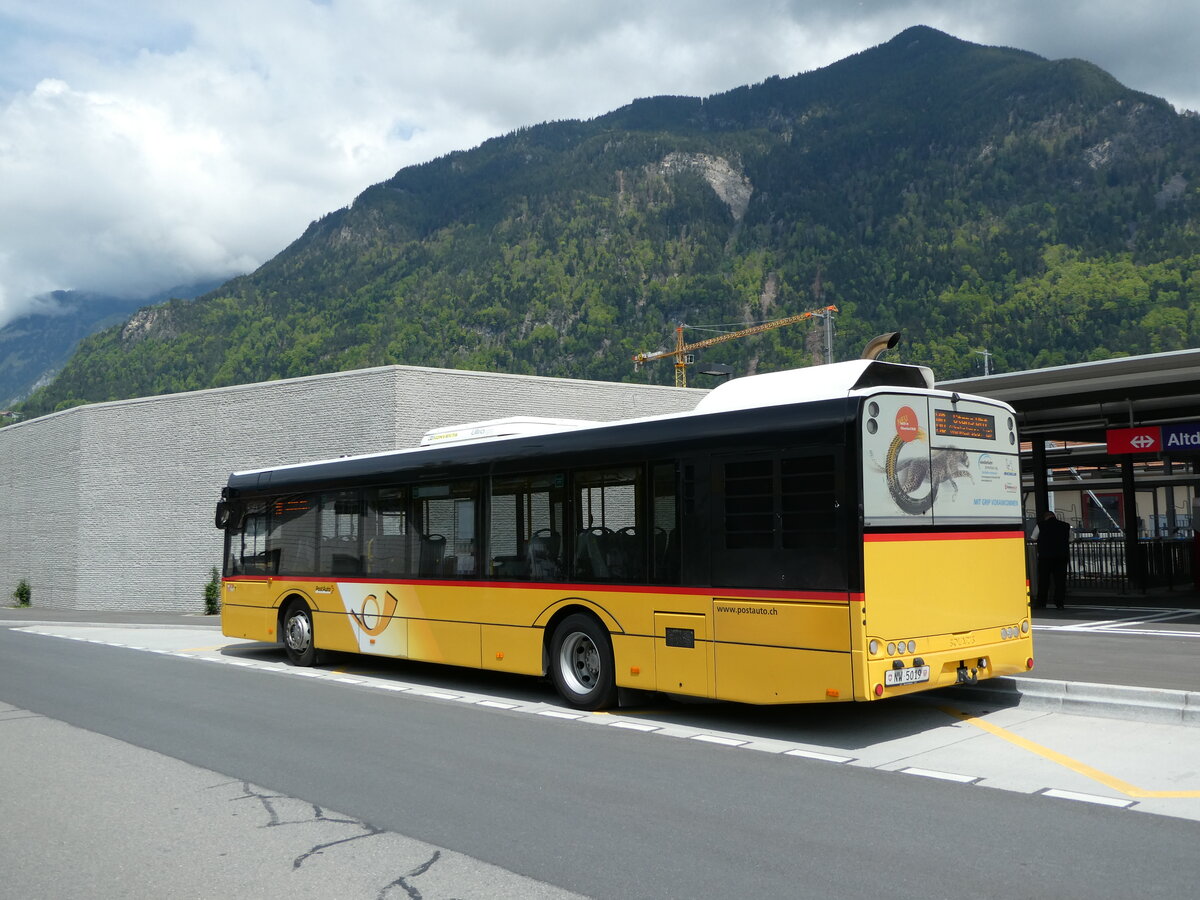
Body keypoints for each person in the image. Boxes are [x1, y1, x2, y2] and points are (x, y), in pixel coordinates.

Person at [1035, 510, 1071, 609]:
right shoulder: (1066, 525)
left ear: (1045, 517)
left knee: (1043, 581)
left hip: (1045, 557)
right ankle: (1059, 603)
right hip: (1061, 557)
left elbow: (1033, 537)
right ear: (1054, 516)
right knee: (1060, 581)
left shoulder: (1040, 525)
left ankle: (1041, 603)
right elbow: (1071, 539)